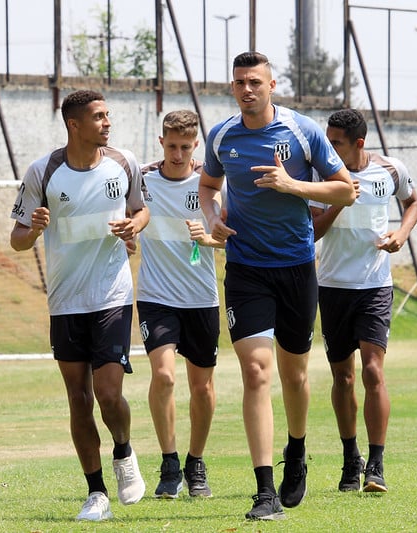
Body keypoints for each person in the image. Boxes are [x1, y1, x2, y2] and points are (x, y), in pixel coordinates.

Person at [199, 51, 356, 520]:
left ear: (271, 86)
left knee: (295, 375)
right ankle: (265, 491)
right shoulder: (222, 136)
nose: (246, 89)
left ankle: (298, 449)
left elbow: (345, 189)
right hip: (246, 269)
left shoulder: (302, 131)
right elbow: (208, 187)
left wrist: (293, 186)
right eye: (239, 82)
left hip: (295, 268)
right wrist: (213, 219)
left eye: (254, 82)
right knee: (255, 372)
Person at [9, 89, 148, 522]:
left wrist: (132, 224)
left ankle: (124, 454)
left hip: (112, 296)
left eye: (108, 115)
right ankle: (96, 494)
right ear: (74, 124)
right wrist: (33, 229)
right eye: (99, 116)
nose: (107, 122)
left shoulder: (123, 163)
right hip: (66, 302)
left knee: (108, 394)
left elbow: (141, 211)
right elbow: (16, 240)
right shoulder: (43, 171)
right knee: (78, 398)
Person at [310, 108, 417, 494]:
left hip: (375, 286)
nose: (329, 147)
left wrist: (401, 234)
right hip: (332, 288)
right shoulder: (320, 175)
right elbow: (312, 231)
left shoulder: (390, 170)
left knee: (373, 372)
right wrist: (340, 199)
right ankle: (349, 457)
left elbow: (413, 203)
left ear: (358, 143)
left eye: (335, 142)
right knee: (343, 377)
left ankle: (376, 464)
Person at [136, 109, 223, 499]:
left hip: (201, 299)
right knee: (165, 376)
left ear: (195, 146)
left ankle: (195, 461)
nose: (177, 153)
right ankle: (169, 462)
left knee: (202, 388)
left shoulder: (211, 184)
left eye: (185, 147)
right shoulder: (142, 180)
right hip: (156, 297)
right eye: (171, 146)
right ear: (161, 143)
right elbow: (124, 215)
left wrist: (208, 237)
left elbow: (228, 237)